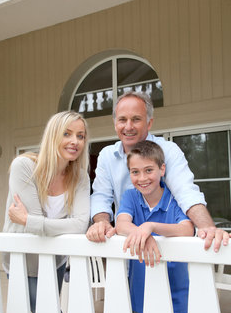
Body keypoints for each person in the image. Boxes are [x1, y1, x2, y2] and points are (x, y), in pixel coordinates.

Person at [86, 90, 230, 250]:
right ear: (115, 123)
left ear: (149, 123)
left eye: (136, 119)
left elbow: (186, 192)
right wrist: (102, 223)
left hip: (169, 249)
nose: (128, 126)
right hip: (128, 251)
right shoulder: (107, 155)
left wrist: (207, 227)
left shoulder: (168, 150)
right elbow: (101, 196)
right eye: (122, 120)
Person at [3, 111, 90, 313]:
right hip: (24, 262)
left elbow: (81, 224)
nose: (75, 141)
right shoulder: (24, 166)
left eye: (80, 136)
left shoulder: (80, 176)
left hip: (56, 261)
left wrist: (31, 221)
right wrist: (37, 222)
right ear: (53, 135)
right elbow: (36, 226)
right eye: (67, 134)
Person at [116, 140, 194, 313]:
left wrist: (150, 227)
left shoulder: (173, 197)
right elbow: (121, 224)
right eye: (135, 172)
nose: (142, 178)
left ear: (162, 169)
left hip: (176, 297)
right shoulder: (131, 196)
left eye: (149, 170)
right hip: (140, 296)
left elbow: (187, 229)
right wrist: (143, 234)